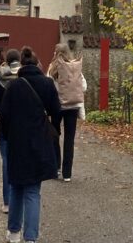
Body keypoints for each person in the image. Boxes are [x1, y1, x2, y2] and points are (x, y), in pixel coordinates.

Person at [0, 46, 60, 243]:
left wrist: (7, 137)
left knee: (16, 186)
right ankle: (31, 237)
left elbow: (4, 116)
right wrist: (53, 130)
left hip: (17, 142)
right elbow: (57, 112)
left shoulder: (13, 87)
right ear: (37, 64)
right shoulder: (47, 83)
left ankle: (13, 232)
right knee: (33, 190)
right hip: (39, 141)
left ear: (22, 65)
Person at [0, 48, 21, 214]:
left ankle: (7, 202)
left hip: (5, 125)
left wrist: (2, 111)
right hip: (22, 125)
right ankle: (19, 198)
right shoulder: (24, 76)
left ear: (6, 61)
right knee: (21, 160)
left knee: (6, 162)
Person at [47, 42, 85, 182]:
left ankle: (56, 167)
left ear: (56, 52)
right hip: (73, 106)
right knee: (69, 139)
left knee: (54, 136)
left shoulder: (53, 68)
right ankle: (67, 174)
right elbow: (84, 86)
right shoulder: (75, 66)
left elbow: (49, 86)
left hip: (57, 106)